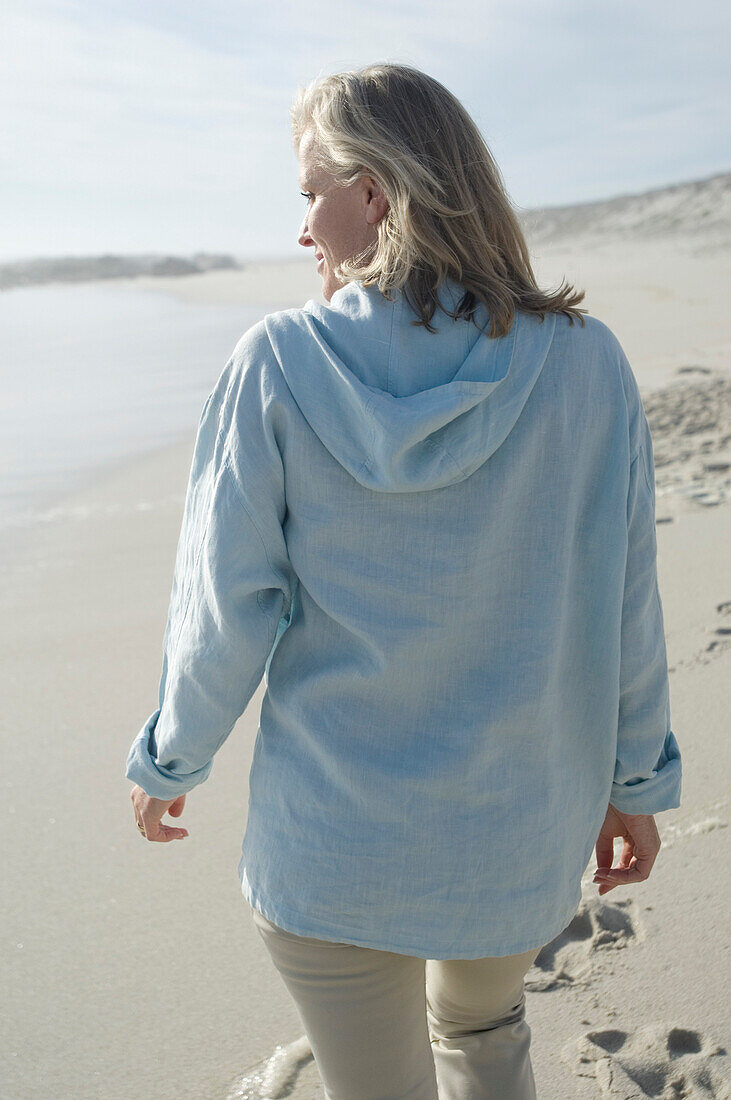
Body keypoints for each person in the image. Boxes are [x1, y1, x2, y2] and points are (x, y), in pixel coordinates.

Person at [126, 63, 682, 1099]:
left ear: (372, 193)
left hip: (331, 845)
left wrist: (171, 754)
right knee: (483, 1027)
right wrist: (635, 782)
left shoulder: (277, 363)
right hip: (515, 834)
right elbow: (624, 600)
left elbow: (224, 603)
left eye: (307, 195)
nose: (301, 230)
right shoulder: (587, 364)